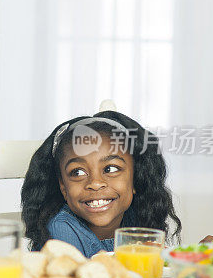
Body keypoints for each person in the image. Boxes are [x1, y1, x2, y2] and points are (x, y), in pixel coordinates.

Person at [21, 110, 182, 257]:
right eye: (78, 172)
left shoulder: (134, 217)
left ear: (135, 179)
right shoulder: (61, 229)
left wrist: (199, 256)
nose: (96, 183)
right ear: (63, 187)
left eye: (111, 169)